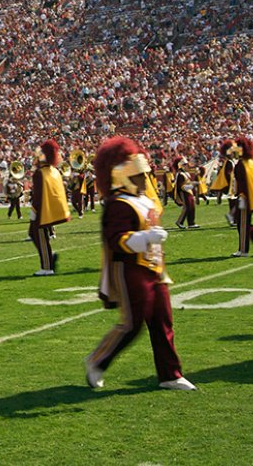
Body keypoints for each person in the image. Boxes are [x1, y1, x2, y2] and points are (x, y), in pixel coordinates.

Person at [84, 137, 196, 391]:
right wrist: (146, 237)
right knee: (132, 324)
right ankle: (97, 361)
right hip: (130, 268)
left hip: (154, 266)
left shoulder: (143, 200)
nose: (145, 180)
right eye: (138, 176)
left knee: (163, 320)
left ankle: (170, 373)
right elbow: (116, 239)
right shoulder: (118, 204)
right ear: (122, 176)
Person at [30, 140, 70, 276]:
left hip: (41, 211)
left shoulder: (40, 173)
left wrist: (34, 211)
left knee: (40, 236)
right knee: (34, 234)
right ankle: (49, 256)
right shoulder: (53, 171)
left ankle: (47, 267)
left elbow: (38, 195)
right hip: (49, 209)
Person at [171, 157, 199, 229]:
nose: (187, 166)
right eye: (185, 165)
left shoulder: (186, 173)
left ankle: (191, 223)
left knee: (192, 207)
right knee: (187, 208)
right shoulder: (180, 174)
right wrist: (191, 186)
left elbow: (188, 183)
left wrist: (195, 183)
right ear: (181, 166)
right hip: (184, 193)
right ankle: (180, 222)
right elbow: (181, 186)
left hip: (189, 193)